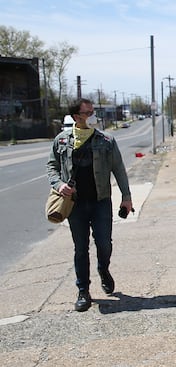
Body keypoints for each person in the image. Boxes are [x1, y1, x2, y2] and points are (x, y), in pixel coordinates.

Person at [46, 98, 132, 312]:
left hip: (101, 201)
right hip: (74, 204)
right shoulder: (61, 141)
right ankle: (83, 290)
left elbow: (119, 169)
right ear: (77, 117)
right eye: (88, 112)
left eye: (93, 111)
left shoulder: (106, 140)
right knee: (81, 248)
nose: (93, 115)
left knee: (104, 243)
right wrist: (59, 185)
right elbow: (52, 167)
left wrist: (126, 197)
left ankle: (103, 269)